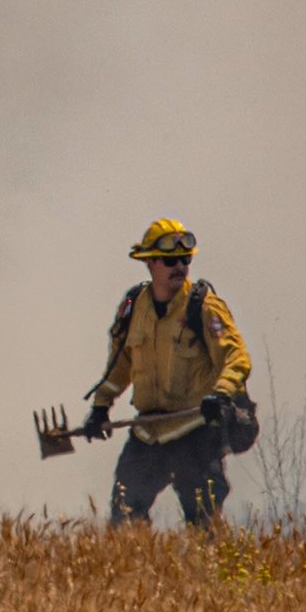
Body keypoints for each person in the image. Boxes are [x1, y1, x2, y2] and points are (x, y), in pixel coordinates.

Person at [82, 219, 251, 528]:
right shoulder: (134, 309)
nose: (181, 267)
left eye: (186, 260)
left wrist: (222, 393)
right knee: (125, 516)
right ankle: (135, 574)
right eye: (171, 261)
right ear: (150, 262)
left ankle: (209, 574)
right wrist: (100, 407)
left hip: (195, 431)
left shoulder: (204, 307)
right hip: (148, 433)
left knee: (204, 524)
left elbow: (236, 356)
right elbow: (119, 367)